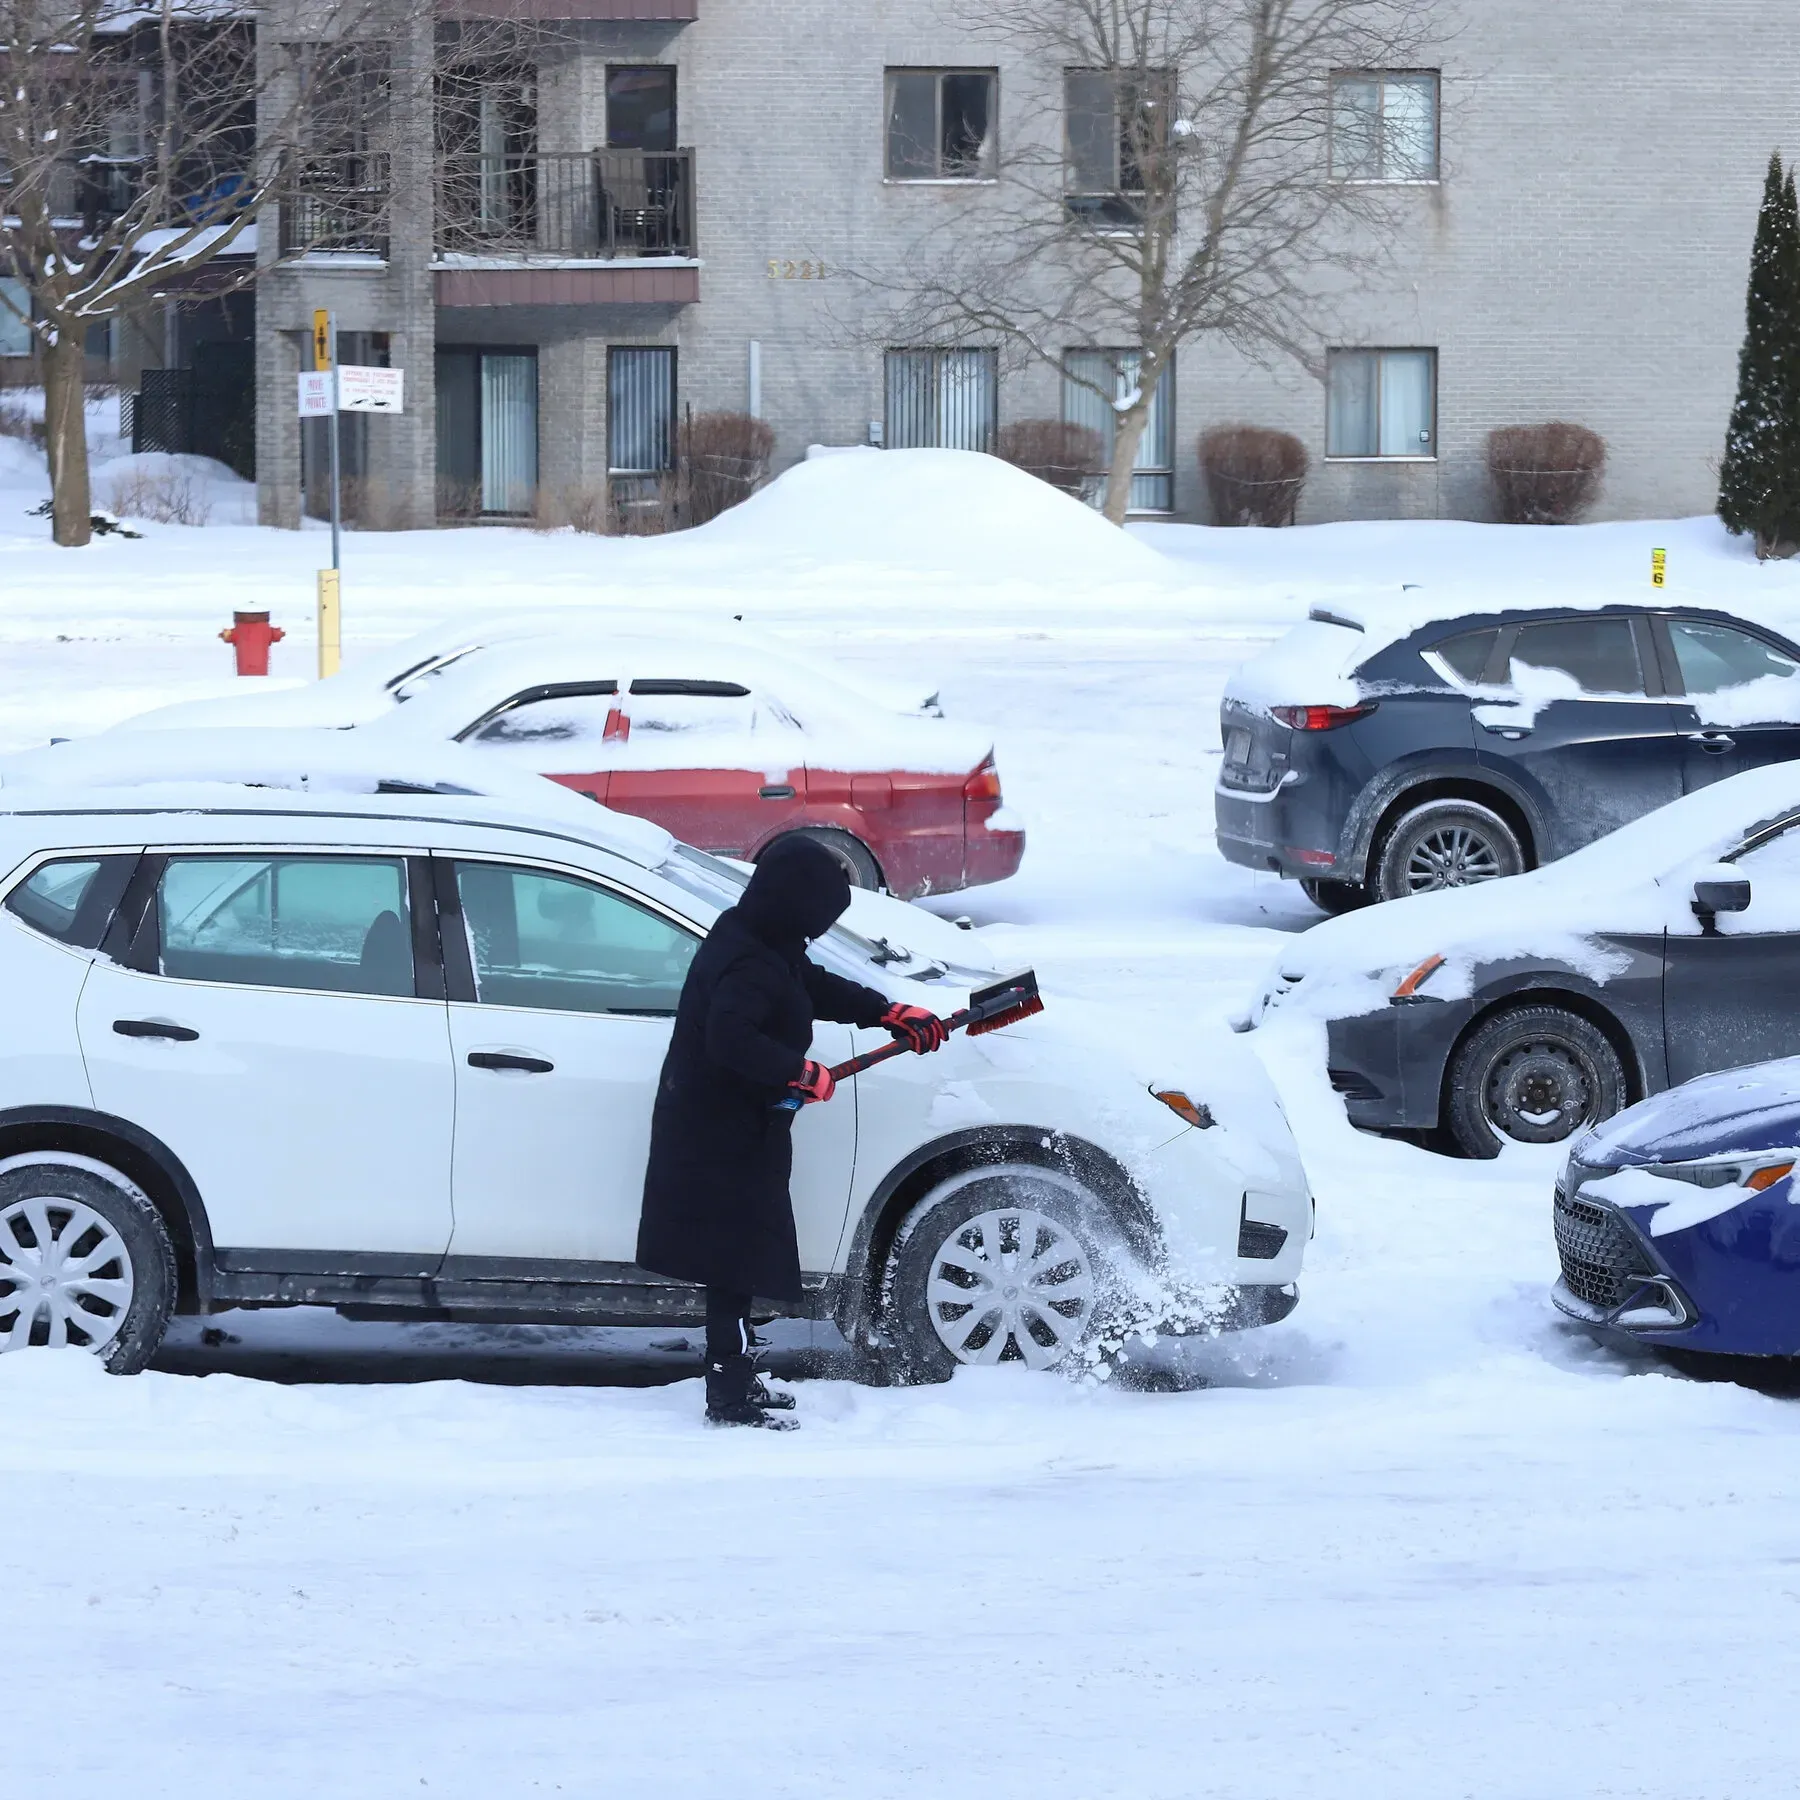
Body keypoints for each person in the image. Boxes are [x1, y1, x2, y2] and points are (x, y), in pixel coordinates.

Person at [637, 836, 947, 1428]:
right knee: (732, 1263)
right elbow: (729, 1038)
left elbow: (807, 983)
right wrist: (797, 1070)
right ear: (793, 904)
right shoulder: (749, 958)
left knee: (741, 1258)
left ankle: (738, 1383)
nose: (819, 930)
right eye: (818, 916)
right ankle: (728, 1395)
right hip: (718, 1135)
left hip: (741, 1124)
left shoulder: (760, 938)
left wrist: (885, 1010)